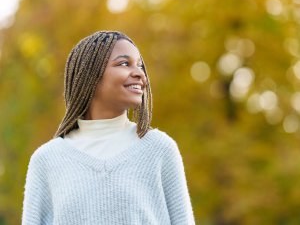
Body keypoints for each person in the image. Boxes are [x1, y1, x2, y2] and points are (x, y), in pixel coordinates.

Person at [21, 31, 196, 225]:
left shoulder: (159, 149)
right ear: (91, 75)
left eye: (139, 65)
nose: (139, 73)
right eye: (123, 63)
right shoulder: (47, 160)